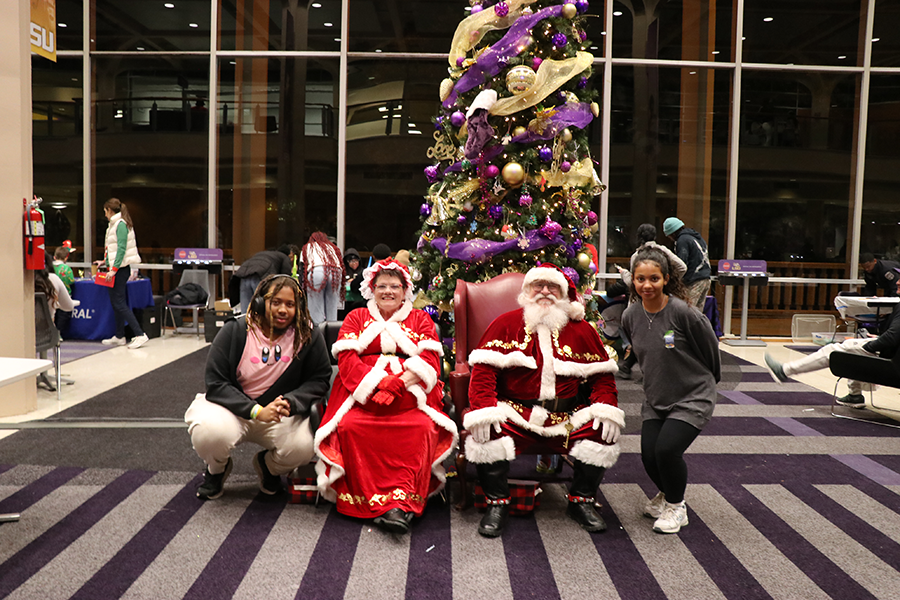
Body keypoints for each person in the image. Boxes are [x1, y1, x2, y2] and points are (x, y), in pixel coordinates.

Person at [464, 264, 624, 538]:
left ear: (563, 294)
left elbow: (602, 379)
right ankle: (497, 503)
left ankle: (581, 501)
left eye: (553, 287)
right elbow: (483, 374)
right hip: (516, 412)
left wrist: (606, 408)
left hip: (567, 417)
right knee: (487, 431)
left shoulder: (582, 330)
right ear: (527, 291)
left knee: (601, 430)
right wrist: (484, 410)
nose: (545, 291)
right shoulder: (505, 324)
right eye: (538, 285)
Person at [314, 258, 458, 535]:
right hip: (362, 394)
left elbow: (430, 360)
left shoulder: (421, 319)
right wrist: (379, 383)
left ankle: (402, 501)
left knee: (422, 428)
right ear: (372, 289)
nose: (388, 291)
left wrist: (398, 384)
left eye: (394, 286)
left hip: (411, 394)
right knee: (350, 427)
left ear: (405, 291)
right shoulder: (356, 317)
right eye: (382, 286)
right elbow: (346, 360)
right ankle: (377, 503)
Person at [185, 274, 332, 500]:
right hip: (232, 409)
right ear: (261, 303)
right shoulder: (235, 330)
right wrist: (255, 411)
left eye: (290, 304)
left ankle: (268, 468)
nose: (283, 310)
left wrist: (291, 401)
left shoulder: (308, 335)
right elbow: (216, 382)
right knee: (208, 433)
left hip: (279, 412)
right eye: (276, 302)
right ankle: (217, 470)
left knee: (304, 446)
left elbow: (320, 379)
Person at [621, 247, 721, 534]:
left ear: (665, 279)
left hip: (693, 395)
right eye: (640, 279)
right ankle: (667, 494)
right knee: (649, 456)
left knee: (666, 451)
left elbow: (710, 350)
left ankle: (676, 507)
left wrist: (707, 383)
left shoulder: (683, 312)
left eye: (654, 278)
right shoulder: (630, 315)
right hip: (657, 397)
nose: (647, 285)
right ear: (633, 281)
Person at [765, 274, 900, 408]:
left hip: (892, 363)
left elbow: (890, 338)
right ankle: (854, 395)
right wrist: (877, 340)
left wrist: (869, 346)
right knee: (852, 346)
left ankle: (785, 371)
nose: (897, 282)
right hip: (894, 356)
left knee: (835, 350)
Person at [607, 223, 687, 379]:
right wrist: (667, 283)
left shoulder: (637, 256)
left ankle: (641, 369)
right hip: (661, 301)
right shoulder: (663, 251)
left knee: (644, 335)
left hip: (642, 302)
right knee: (658, 334)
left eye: (654, 278)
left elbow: (632, 282)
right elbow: (682, 267)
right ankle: (646, 369)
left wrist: (624, 274)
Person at [100, 198, 148, 349]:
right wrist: (105, 262)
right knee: (116, 303)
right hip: (115, 268)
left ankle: (140, 334)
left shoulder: (120, 224)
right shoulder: (114, 224)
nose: (105, 215)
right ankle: (120, 335)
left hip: (120, 270)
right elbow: (112, 249)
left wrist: (113, 269)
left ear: (110, 210)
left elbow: (121, 249)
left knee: (120, 303)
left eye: (105, 211)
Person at [663, 217, 711, 311]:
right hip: (705, 278)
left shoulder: (683, 240)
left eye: (669, 236)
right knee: (697, 312)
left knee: (687, 310)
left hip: (694, 280)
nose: (670, 239)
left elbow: (682, 263)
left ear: (673, 233)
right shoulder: (697, 237)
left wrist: (674, 279)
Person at [301, 232, 345, 325]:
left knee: (316, 307)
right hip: (335, 272)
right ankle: (332, 330)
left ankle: (318, 330)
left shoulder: (308, 247)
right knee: (332, 307)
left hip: (317, 270)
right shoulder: (332, 247)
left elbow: (302, 267)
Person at [233, 247, 293, 314]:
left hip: (244, 276)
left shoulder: (263, 254)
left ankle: (245, 320)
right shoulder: (284, 257)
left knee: (245, 310)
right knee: (262, 307)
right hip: (260, 275)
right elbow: (286, 276)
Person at [52, 243, 77, 334]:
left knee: (54, 313)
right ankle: (59, 332)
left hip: (52, 293)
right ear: (66, 258)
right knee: (63, 314)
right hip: (64, 294)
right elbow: (71, 281)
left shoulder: (51, 267)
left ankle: (53, 332)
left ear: (54, 257)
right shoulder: (67, 269)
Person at [342, 248, 366, 312]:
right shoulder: (343, 272)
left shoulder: (363, 272)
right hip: (346, 302)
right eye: (351, 261)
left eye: (356, 261)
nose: (354, 263)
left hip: (360, 302)